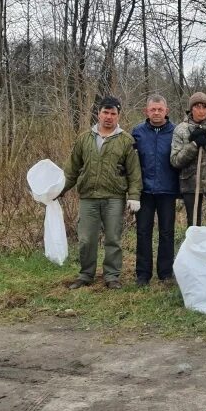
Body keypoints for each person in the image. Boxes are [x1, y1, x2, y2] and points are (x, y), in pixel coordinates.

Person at [61, 96, 142, 290]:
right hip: (88, 197)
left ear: (118, 116)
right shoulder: (84, 138)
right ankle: (86, 275)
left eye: (113, 113)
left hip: (114, 197)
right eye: (105, 112)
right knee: (86, 239)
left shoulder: (126, 140)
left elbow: (134, 172)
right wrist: (59, 189)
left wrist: (134, 196)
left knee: (113, 238)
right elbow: (72, 169)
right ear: (98, 113)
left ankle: (112, 276)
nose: (108, 117)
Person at [132, 94, 178, 286]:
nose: (157, 112)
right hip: (145, 191)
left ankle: (166, 272)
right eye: (153, 109)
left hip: (167, 190)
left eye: (160, 109)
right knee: (143, 231)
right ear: (147, 111)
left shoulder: (176, 131)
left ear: (166, 111)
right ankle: (143, 274)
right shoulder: (137, 132)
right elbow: (130, 162)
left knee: (167, 232)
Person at [170, 92, 206, 227]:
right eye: (197, 107)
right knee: (194, 224)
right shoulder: (181, 129)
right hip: (190, 183)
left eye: (204, 107)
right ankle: (195, 247)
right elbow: (175, 161)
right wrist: (194, 145)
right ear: (191, 109)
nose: (201, 111)